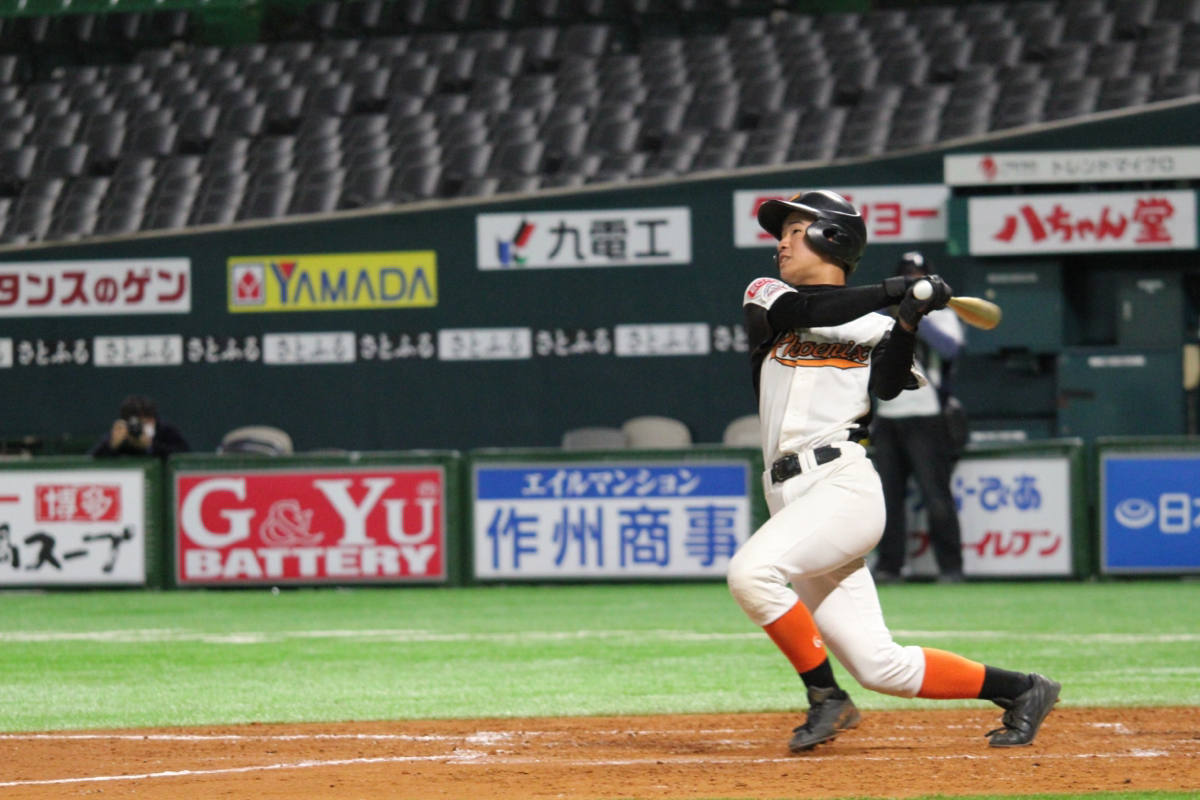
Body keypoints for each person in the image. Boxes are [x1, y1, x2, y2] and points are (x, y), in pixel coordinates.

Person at [728, 190, 1059, 754]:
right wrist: (898, 291)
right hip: (789, 494)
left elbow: (886, 384)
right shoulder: (768, 294)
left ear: (832, 237)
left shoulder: (876, 326)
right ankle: (1024, 690)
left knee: (751, 574)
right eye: (779, 232)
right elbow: (807, 313)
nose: (780, 241)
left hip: (841, 486)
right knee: (881, 666)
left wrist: (905, 320)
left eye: (794, 229)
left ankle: (826, 698)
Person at [871, 251, 966, 585]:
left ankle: (951, 568)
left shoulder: (942, 315)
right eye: (907, 277)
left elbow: (951, 349)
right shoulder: (883, 315)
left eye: (919, 276)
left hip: (926, 416)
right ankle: (889, 566)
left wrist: (917, 316)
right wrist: (896, 310)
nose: (914, 281)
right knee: (888, 498)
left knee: (935, 494)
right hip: (888, 415)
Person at [91, 394, 190, 459]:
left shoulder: (165, 431)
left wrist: (151, 446)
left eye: (145, 422)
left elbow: (185, 457)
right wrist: (111, 446)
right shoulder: (120, 433)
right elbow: (89, 462)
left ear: (153, 419)